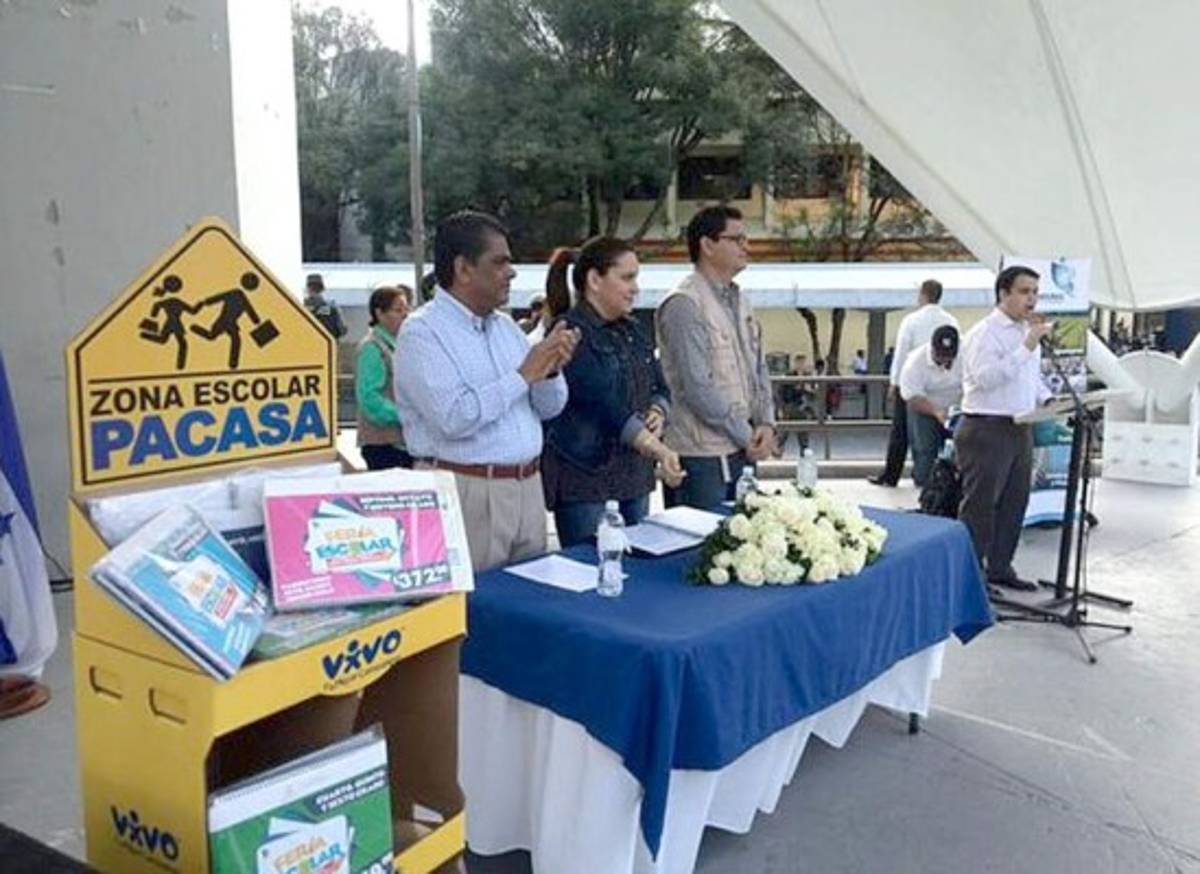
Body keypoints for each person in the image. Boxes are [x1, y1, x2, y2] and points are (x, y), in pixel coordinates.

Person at [393, 210, 580, 571]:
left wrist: (550, 369)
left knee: (528, 610)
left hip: (526, 487)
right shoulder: (422, 332)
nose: (512, 272)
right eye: (500, 262)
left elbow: (549, 408)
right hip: (467, 492)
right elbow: (454, 418)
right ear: (463, 269)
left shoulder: (506, 328)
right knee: (475, 615)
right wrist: (525, 373)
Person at [540, 239, 686, 546]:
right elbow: (601, 403)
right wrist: (658, 449)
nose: (635, 288)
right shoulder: (570, 331)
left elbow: (660, 385)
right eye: (627, 277)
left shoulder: (633, 329)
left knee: (637, 578)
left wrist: (659, 411)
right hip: (585, 481)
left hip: (635, 478)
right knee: (594, 574)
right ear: (594, 280)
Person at [657, 205, 776, 509]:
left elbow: (758, 366)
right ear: (707, 245)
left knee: (744, 544)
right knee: (701, 549)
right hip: (701, 457)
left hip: (742, 446)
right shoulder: (684, 304)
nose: (746, 247)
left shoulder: (740, 299)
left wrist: (766, 423)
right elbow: (697, 387)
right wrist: (746, 434)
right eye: (736, 239)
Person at [956, 265, 1054, 592]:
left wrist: (1049, 398)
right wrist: (1026, 345)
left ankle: (1000, 567)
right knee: (981, 506)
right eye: (1025, 292)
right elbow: (986, 378)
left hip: (1019, 426)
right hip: (986, 427)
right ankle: (969, 577)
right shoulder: (985, 333)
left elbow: (1029, 377)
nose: (1032, 299)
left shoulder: (1027, 333)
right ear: (1004, 294)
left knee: (1015, 502)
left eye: (1035, 293)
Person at [869, 279, 958, 486]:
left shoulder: (911, 320)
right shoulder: (951, 321)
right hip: (946, 387)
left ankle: (892, 475)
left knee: (901, 432)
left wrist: (894, 382)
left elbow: (901, 353)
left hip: (912, 381)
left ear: (922, 295)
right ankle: (944, 478)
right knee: (945, 435)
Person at [355, 285, 414, 471]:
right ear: (379, 313)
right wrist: (405, 415)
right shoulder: (372, 348)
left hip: (404, 441)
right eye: (398, 310)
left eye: (407, 309)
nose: (405, 315)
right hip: (384, 445)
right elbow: (370, 398)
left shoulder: (401, 344)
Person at [898, 325, 962, 487]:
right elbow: (912, 397)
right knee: (925, 449)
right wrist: (936, 412)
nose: (944, 361)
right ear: (931, 347)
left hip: (958, 407)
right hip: (924, 406)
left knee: (964, 446)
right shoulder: (914, 362)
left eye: (949, 357)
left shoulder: (968, 355)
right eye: (940, 356)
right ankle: (924, 484)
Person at [304, 273, 348, 340]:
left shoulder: (302, 308)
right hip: (327, 348)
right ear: (322, 289)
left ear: (308, 289)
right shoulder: (332, 308)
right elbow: (343, 329)